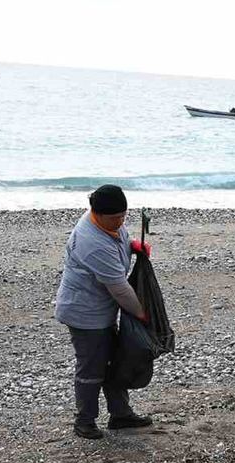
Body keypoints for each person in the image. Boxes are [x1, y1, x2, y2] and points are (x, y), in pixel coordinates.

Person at [54, 184, 153, 439]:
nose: (120, 222)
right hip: (85, 313)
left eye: (123, 216)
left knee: (115, 361)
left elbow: (119, 243)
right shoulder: (90, 241)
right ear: (95, 213)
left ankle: (121, 414)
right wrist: (142, 314)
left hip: (103, 309)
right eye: (114, 218)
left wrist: (133, 246)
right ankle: (84, 421)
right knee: (92, 367)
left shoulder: (112, 224)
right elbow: (119, 289)